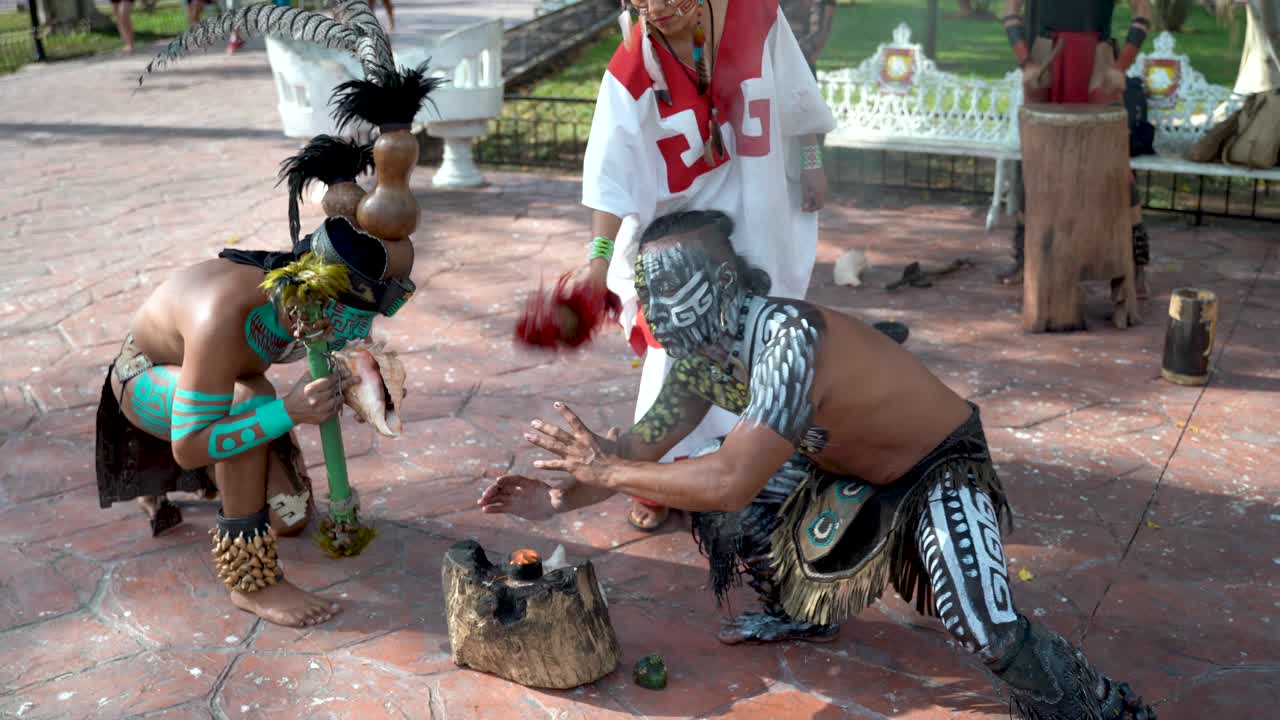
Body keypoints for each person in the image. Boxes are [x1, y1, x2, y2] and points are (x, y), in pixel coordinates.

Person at [482, 210, 1157, 720]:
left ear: (722, 284)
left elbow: (727, 479)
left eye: (665, 292)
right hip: (842, 469)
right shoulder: (701, 361)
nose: (651, 311)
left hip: (936, 466)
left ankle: (1106, 707)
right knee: (718, 489)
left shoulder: (788, 338)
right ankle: (806, 610)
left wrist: (608, 473)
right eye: (644, 293)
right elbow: (637, 449)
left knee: (985, 629)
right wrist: (557, 499)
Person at [572, 0, 836, 531]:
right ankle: (656, 477)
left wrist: (810, 163)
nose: (655, 10)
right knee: (678, 349)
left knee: (764, 339)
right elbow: (610, 171)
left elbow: (797, 96)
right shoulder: (633, 63)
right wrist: (597, 259)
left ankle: (755, 464)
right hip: (682, 243)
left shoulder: (757, 15)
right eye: (641, 1)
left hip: (762, 221)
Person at [997, 0, 1154, 299]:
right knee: (1037, 164)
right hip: (1046, 62)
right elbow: (1009, 10)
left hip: (1098, 63)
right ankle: (1026, 260)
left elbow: (1143, 11)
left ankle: (1133, 267)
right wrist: (1026, 62)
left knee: (1115, 168)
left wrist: (1121, 66)